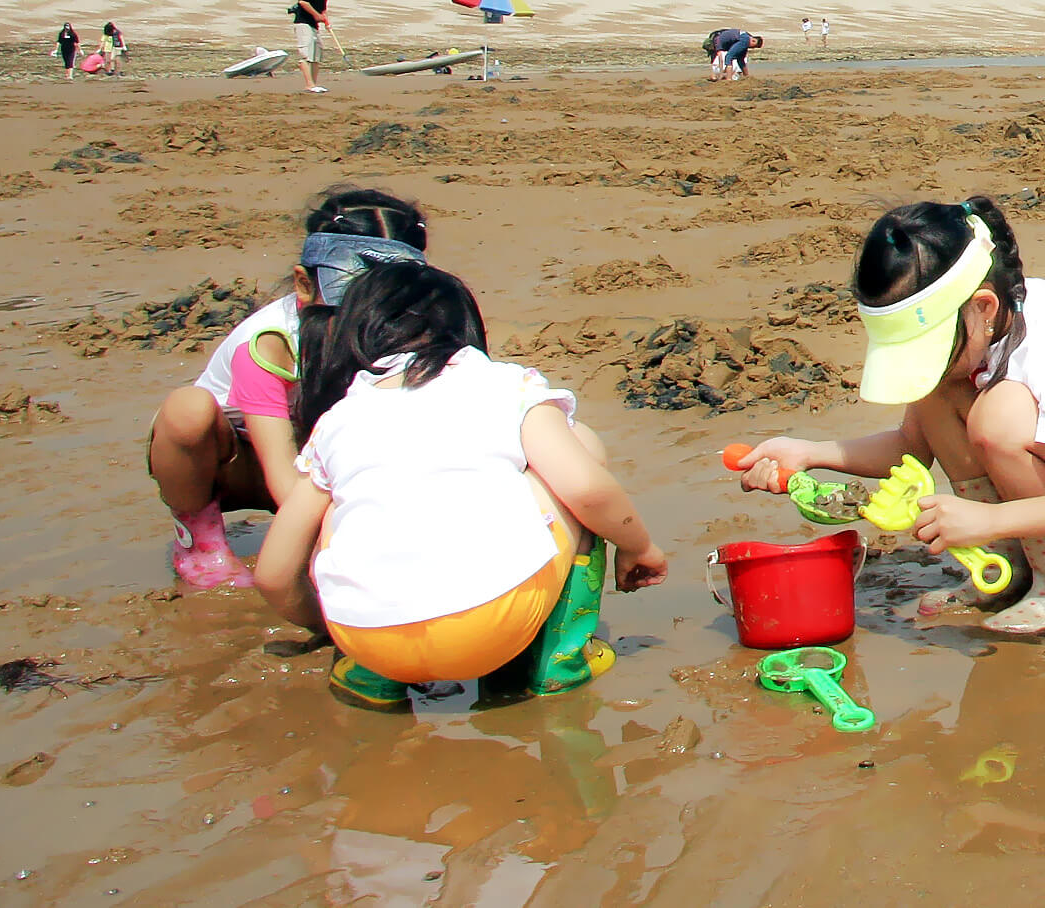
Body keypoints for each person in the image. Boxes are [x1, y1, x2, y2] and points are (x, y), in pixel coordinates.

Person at [735, 197, 1045, 635]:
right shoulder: (981, 332)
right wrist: (809, 454)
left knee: (999, 415)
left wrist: (990, 520)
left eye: (928, 350)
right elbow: (910, 448)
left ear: (983, 307)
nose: (932, 365)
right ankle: (1003, 570)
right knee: (940, 393)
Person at [253, 261, 668, 710]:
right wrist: (638, 546)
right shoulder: (505, 384)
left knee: (341, 506)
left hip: (367, 639)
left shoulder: (337, 420)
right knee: (577, 449)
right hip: (491, 627)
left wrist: (333, 623)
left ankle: (369, 678)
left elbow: (274, 575)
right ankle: (560, 662)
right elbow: (587, 490)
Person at [146, 187, 428, 591]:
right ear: (303, 283)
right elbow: (282, 477)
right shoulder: (268, 343)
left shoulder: (410, 326)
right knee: (187, 411)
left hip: (326, 458)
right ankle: (198, 542)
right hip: (244, 462)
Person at [292, 0, 330, 93]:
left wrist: (326, 21)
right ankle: (309, 85)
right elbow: (303, 2)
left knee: (317, 54)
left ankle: (313, 84)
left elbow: (323, 11)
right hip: (303, 23)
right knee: (305, 54)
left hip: (313, 26)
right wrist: (316, 15)